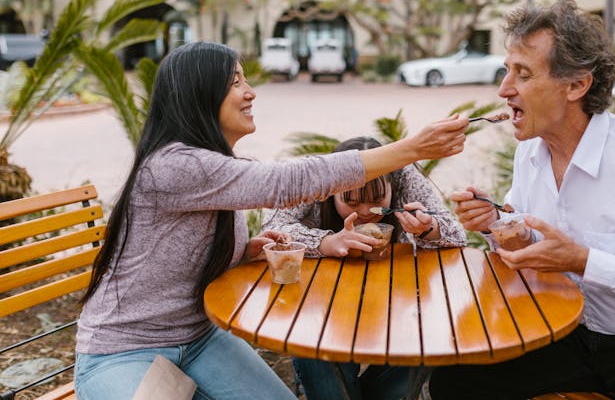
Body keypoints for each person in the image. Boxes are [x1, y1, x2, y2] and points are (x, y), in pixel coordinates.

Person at [73, 41, 468, 400]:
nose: (250, 92)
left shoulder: (214, 167)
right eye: (235, 83)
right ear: (199, 96)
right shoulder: (173, 164)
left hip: (199, 337)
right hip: (123, 349)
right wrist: (410, 148)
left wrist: (242, 252)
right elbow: (289, 182)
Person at [430, 0, 615, 400]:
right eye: (507, 70)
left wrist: (583, 261)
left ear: (576, 85)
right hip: (567, 335)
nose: (504, 89)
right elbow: (530, 242)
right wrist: (495, 225)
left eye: (523, 73)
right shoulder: (530, 154)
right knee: (455, 383)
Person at [263, 136, 466, 400]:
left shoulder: (403, 172)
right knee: (315, 347)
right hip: (319, 300)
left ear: (393, 186)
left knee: (434, 334)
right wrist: (327, 241)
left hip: (395, 297)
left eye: (378, 199)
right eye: (352, 201)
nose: (366, 211)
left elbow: (456, 235)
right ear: (331, 190)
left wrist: (429, 228)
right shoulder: (318, 176)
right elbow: (271, 229)